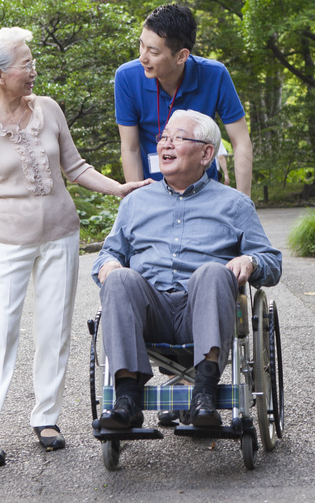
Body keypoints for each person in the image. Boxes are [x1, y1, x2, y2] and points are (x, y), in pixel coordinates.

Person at [0, 27, 150, 467]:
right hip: (6, 243)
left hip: (61, 235)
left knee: (54, 331)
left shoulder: (49, 110)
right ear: (0, 74)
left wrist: (118, 189)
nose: (33, 70)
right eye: (26, 64)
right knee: (1, 332)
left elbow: (76, 166)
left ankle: (47, 418)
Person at [92, 110, 281, 429]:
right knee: (121, 277)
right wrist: (107, 263)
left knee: (212, 271)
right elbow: (110, 251)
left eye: (177, 138)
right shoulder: (135, 202)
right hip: (150, 312)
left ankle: (204, 395)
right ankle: (126, 400)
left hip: (205, 309)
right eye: (163, 138)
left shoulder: (234, 204)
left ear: (207, 153)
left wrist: (250, 261)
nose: (165, 145)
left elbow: (272, 262)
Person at [114, 4, 254, 196]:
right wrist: (138, 204)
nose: (142, 58)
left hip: (205, 191)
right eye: (141, 45)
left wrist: (244, 202)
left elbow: (241, 141)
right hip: (153, 192)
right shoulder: (127, 77)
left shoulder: (215, 74)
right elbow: (130, 148)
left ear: (182, 56)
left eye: (153, 52)